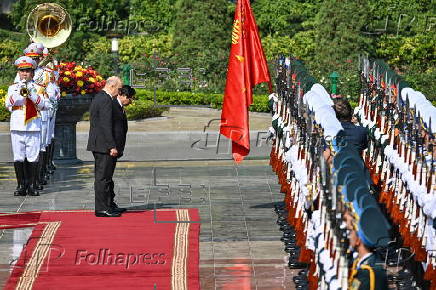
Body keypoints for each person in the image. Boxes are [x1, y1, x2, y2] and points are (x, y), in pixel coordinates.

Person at [5, 56, 49, 196]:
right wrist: (21, 93)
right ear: (19, 72)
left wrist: (31, 94)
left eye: (28, 71)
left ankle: (32, 185)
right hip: (17, 126)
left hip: (33, 126)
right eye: (22, 71)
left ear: (33, 72)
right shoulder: (13, 88)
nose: (25, 73)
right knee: (18, 157)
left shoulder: (39, 88)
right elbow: (9, 103)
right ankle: (20, 185)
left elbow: (44, 105)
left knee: (33, 157)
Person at [87, 76, 123, 217]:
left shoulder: (101, 97)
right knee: (102, 178)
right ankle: (102, 208)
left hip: (100, 144)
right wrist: (112, 146)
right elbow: (105, 125)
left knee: (106, 177)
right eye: (119, 89)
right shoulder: (105, 100)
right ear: (112, 86)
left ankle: (108, 205)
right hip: (103, 145)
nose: (119, 93)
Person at [108, 85, 135, 211]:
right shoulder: (113, 105)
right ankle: (107, 205)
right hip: (110, 148)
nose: (131, 102)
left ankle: (111, 203)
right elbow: (107, 128)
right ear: (123, 96)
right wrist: (112, 146)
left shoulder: (120, 106)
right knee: (106, 177)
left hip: (116, 147)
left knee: (109, 177)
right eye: (130, 99)